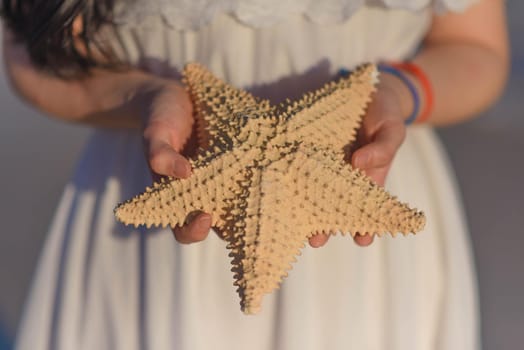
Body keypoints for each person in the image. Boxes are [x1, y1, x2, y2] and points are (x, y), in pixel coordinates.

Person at [2, 0, 508, 349]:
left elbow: (478, 50)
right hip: (158, 174)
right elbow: (31, 56)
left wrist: (398, 94)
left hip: (369, 170)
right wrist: (144, 97)